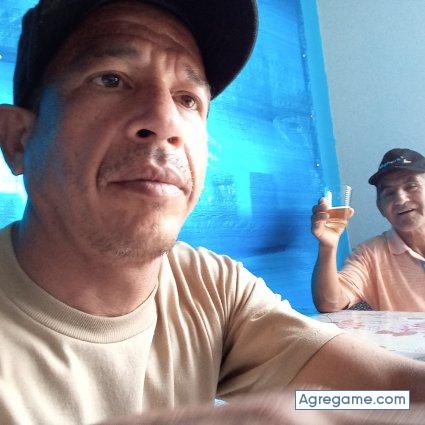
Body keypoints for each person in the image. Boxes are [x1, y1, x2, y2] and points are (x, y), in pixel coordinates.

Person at [0, 1, 425, 424]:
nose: (165, 120)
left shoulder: (209, 287)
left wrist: (316, 410)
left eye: (187, 99)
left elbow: (394, 394)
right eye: (110, 79)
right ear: (19, 140)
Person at [311, 148, 425, 312]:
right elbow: (329, 303)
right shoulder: (369, 255)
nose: (400, 199)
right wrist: (327, 246)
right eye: (389, 193)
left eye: (411, 186)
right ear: (380, 207)